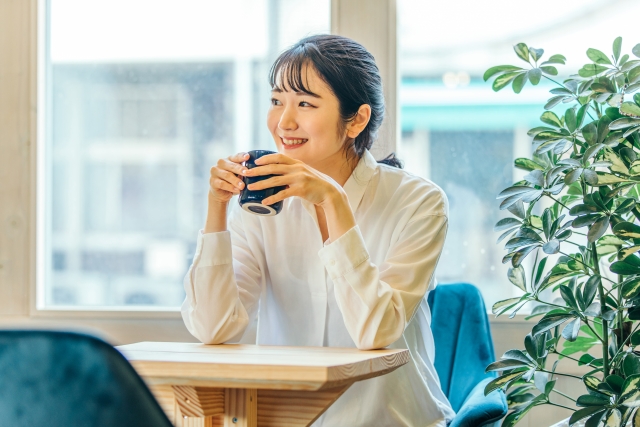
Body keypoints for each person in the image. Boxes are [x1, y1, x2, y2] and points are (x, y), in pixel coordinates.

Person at [181, 34, 455, 427]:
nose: (284, 122)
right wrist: (216, 211)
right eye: (277, 101)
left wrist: (334, 203)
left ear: (356, 120)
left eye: (305, 104)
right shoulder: (261, 204)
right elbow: (212, 327)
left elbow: (376, 331)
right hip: (284, 419)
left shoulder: (419, 203)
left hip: (390, 420)